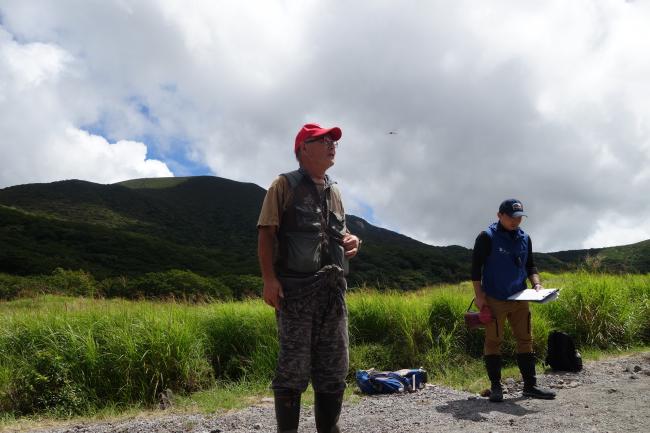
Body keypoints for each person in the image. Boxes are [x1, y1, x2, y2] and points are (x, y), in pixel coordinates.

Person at [257, 123, 361, 433]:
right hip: (296, 292)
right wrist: (269, 280)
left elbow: (339, 234)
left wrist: (353, 240)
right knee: (293, 369)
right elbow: (266, 233)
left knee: (334, 369)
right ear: (304, 148)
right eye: (324, 141)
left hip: (334, 292)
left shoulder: (335, 191)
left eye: (334, 142)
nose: (332, 146)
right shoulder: (282, 185)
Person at [471, 199, 556, 403]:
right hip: (495, 298)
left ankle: (530, 386)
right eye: (511, 217)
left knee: (525, 339)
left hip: (520, 298)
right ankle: (496, 388)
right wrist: (480, 296)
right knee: (494, 342)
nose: (515, 221)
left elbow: (531, 266)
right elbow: (475, 269)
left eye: (519, 218)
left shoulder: (525, 238)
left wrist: (537, 285)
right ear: (499, 215)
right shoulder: (486, 237)